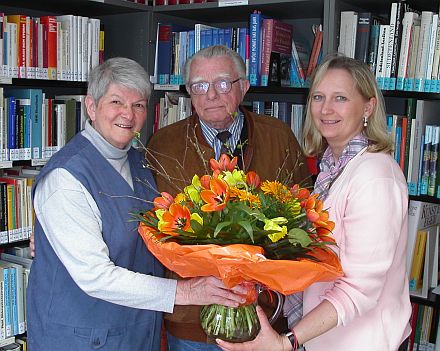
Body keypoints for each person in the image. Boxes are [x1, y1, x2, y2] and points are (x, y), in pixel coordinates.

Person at [26, 57, 248, 351]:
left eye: (139, 105)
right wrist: (186, 292)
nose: (128, 115)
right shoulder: (65, 179)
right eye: (116, 102)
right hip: (80, 337)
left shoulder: (140, 162)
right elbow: (95, 276)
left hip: (134, 330)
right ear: (91, 107)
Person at [216, 55, 412, 351]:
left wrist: (286, 342)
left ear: (368, 107)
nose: (325, 109)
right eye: (318, 97)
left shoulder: (375, 176)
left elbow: (359, 289)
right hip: (324, 339)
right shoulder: (332, 169)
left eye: (340, 98)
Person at [147, 45, 310, 351]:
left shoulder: (279, 136)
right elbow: (148, 225)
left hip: (262, 320)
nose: (211, 95)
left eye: (222, 83)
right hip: (191, 323)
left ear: (244, 87)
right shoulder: (163, 145)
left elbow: (303, 215)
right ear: (189, 93)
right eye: (199, 86)